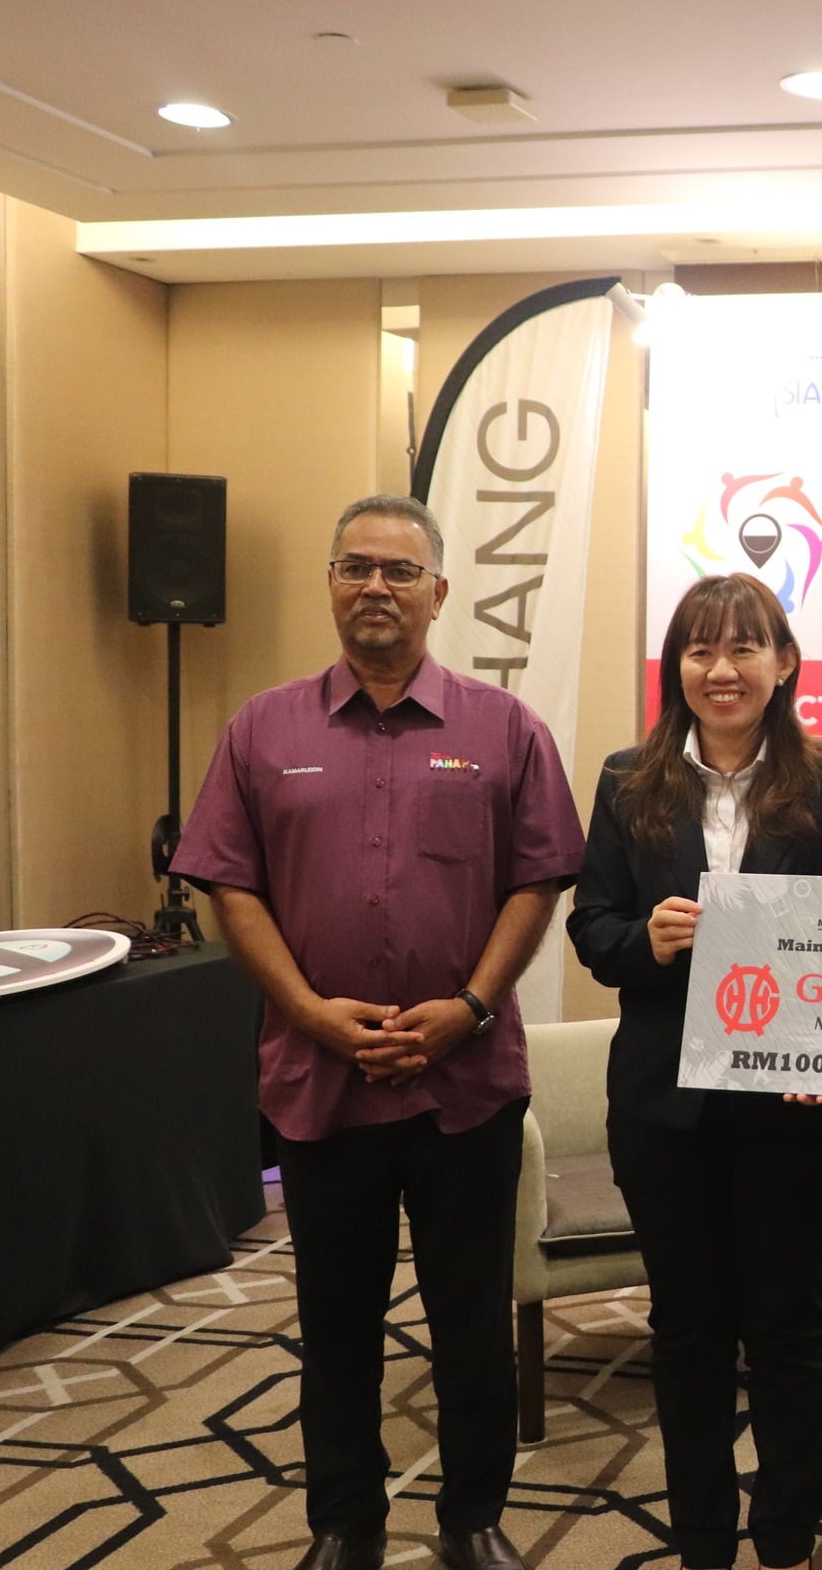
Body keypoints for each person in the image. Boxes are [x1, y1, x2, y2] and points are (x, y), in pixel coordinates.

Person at [172, 495, 586, 1570]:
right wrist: (310, 1014)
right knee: (337, 1322)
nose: (375, 587)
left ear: (439, 593)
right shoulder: (262, 730)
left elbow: (539, 880)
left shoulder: (506, 730)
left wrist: (472, 1008)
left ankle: (472, 1518)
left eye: (400, 571)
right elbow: (230, 886)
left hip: (467, 1082)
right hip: (322, 1080)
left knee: (470, 1319)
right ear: (330, 582)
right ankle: (344, 1524)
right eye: (355, 566)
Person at [566, 574, 822, 1570]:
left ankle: (786, 1540)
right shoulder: (628, 780)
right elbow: (591, 925)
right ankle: (702, 1540)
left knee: (789, 1325)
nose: (723, 669)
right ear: (678, 668)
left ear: (784, 663)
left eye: (745, 647)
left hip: (799, 1103)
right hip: (667, 1106)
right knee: (688, 1328)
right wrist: (646, 942)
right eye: (701, 650)